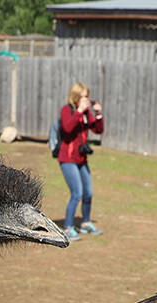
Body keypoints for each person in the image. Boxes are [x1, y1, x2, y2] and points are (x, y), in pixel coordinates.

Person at [57, 81, 104, 242]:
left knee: (88, 193)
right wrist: (79, 111)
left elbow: (98, 130)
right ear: (76, 97)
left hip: (82, 159)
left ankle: (86, 223)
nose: (86, 100)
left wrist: (98, 114)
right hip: (67, 158)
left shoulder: (85, 113)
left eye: (88, 97)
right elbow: (68, 128)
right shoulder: (67, 110)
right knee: (77, 193)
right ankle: (68, 228)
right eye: (84, 97)